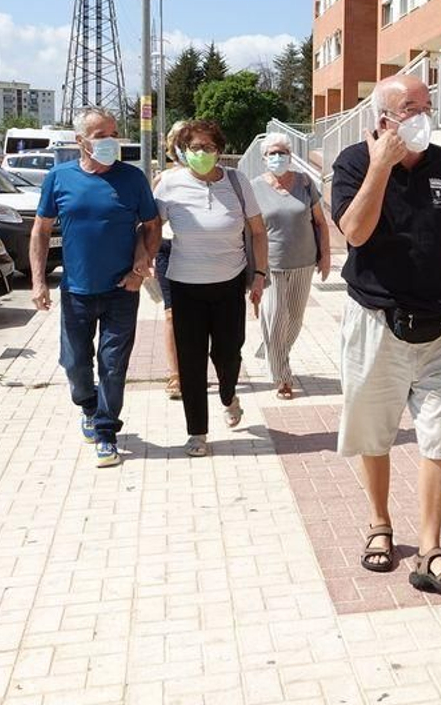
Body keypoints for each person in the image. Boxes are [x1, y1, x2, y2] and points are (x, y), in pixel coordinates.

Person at [330, 73, 441, 595]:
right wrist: (379, 167)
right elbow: (354, 232)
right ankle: (379, 523)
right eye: (411, 107)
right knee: (375, 431)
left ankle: (431, 545)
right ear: (385, 117)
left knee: (439, 436)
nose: (422, 115)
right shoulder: (353, 161)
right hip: (377, 324)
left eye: (426, 105)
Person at [30, 107, 160, 468]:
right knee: (74, 363)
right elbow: (40, 231)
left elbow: (151, 226)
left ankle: (106, 431)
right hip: (75, 291)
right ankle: (88, 406)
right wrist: (39, 282)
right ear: (81, 141)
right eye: (101, 135)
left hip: (123, 289)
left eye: (113, 132)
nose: (110, 141)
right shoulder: (59, 178)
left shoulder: (132, 179)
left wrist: (142, 267)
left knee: (113, 365)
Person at [153, 120, 269, 456]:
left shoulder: (237, 181)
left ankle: (229, 394)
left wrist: (259, 274)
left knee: (228, 353)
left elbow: (258, 231)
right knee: (190, 362)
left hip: (229, 284)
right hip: (184, 284)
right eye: (195, 147)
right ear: (183, 150)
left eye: (208, 147)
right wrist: (141, 259)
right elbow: (149, 227)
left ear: (219, 150)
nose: (201, 153)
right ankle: (197, 433)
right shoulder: (169, 184)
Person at [250, 132, 331, 400]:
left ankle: (274, 351)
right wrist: (251, 272)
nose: (277, 157)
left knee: (294, 320)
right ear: (264, 158)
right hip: (270, 266)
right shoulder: (254, 188)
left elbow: (320, 222)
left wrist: (326, 256)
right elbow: (250, 231)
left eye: (282, 152)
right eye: (272, 153)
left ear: (290, 155)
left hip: (304, 263)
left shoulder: (306, 183)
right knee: (274, 319)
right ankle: (282, 377)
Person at [154, 120, 188, 401]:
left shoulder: (215, 178)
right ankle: (175, 375)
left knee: (200, 317)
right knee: (172, 314)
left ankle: (198, 369)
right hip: (167, 249)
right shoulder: (163, 180)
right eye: (178, 142)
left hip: (200, 253)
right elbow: (151, 223)